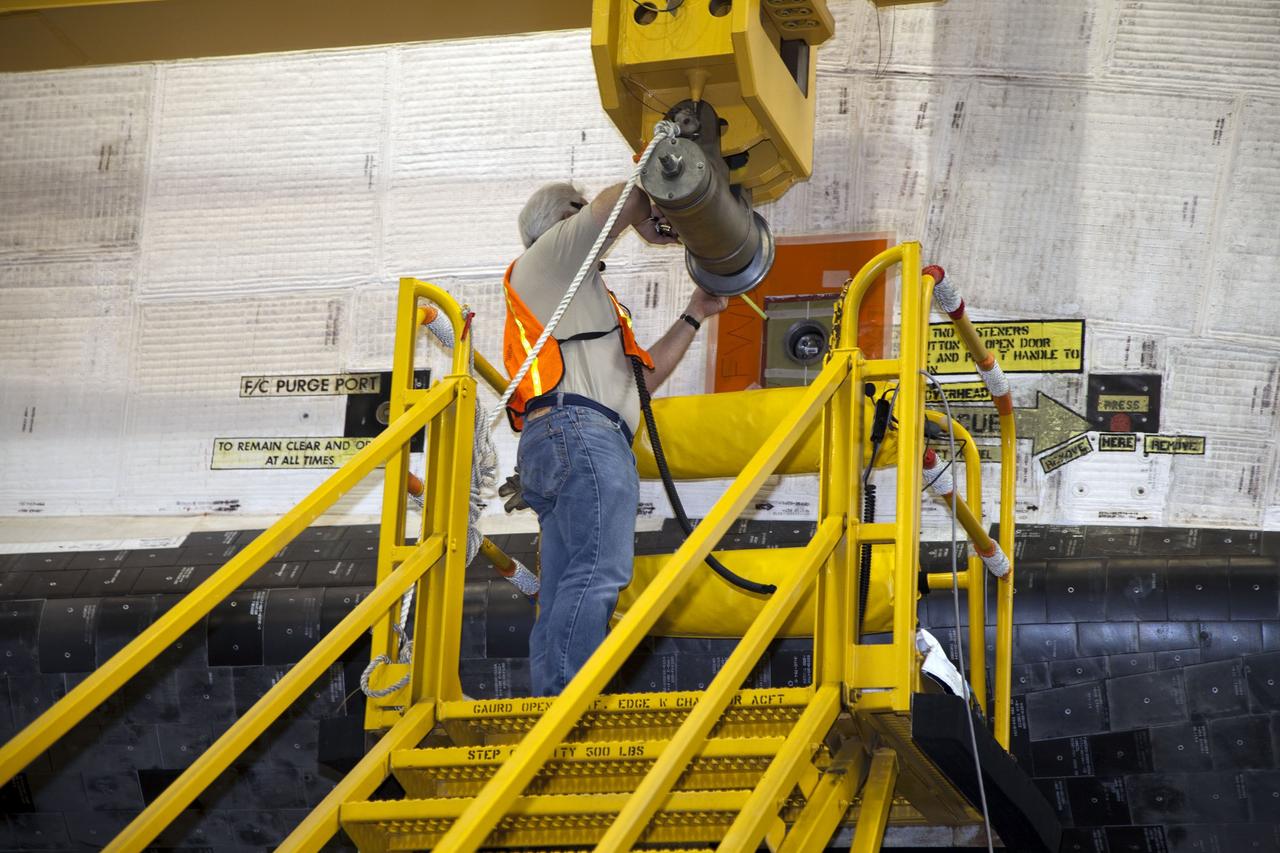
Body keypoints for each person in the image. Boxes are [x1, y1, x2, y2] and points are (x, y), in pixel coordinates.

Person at [502, 180, 728, 696]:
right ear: (558, 221)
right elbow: (627, 198)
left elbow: (639, 386)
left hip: (563, 436)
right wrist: (648, 219)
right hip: (582, 435)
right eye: (577, 208)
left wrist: (694, 314)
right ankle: (569, 703)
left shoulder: (577, 297)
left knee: (563, 585)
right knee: (600, 571)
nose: (588, 213)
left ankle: (550, 703)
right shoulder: (550, 256)